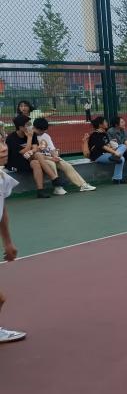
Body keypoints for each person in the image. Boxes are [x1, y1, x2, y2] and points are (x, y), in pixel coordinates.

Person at [0, 136, 25, 343]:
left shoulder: (2, 178)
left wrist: (8, 242)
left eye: (2, 142)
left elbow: (2, 211)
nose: (3, 148)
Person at [32, 118, 96, 192]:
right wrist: (51, 159)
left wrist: (55, 156)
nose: (42, 132)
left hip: (50, 157)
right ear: (34, 127)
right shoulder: (30, 137)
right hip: (40, 159)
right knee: (52, 164)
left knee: (66, 165)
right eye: (41, 130)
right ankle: (58, 188)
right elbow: (34, 154)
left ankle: (83, 185)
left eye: (44, 130)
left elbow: (52, 149)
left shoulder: (46, 136)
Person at [6, 115, 62, 197]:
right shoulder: (11, 138)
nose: (30, 126)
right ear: (21, 127)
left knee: (36, 162)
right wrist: (29, 138)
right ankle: (54, 178)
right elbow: (23, 152)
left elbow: (35, 148)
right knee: (37, 156)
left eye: (29, 124)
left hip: (29, 158)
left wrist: (31, 150)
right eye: (27, 124)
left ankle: (40, 191)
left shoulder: (33, 134)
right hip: (16, 162)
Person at [88, 116, 127, 183]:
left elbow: (107, 145)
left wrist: (112, 144)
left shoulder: (104, 133)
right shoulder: (95, 134)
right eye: (105, 122)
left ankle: (116, 178)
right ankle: (117, 176)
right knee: (121, 158)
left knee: (123, 147)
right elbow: (103, 146)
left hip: (106, 154)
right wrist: (114, 152)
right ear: (100, 125)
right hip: (98, 156)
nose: (107, 123)